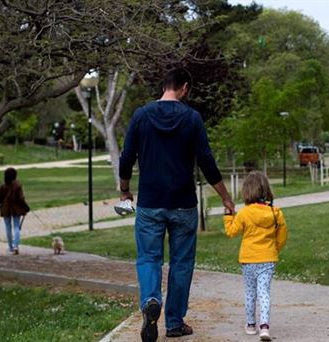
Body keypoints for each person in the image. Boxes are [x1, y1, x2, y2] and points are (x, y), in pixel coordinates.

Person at [119, 68, 235, 342]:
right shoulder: (192, 118)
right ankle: (174, 323)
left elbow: (126, 158)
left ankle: (150, 300)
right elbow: (206, 161)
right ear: (184, 88)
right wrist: (225, 197)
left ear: (164, 86)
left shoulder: (141, 115)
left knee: (149, 258)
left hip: (149, 204)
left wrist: (125, 190)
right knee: (181, 263)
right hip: (183, 204)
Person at [223, 171, 288, 341]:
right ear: (266, 189)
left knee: (250, 292)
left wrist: (228, 216)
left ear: (247, 191)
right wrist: (273, 249)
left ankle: (251, 325)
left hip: (248, 260)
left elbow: (231, 232)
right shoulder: (276, 213)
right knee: (264, 292)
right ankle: (264, 327)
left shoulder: (244, 213)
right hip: (268, 259)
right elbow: (282, 238)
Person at [0, 167, 30, 255]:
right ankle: (16, 246)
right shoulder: (18, 185)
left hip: (5, 209)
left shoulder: (2, 185)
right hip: (16, 209)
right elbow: (21, 198)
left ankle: (10, 247)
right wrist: (26, 207)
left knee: (8, 228)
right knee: (16, 227)